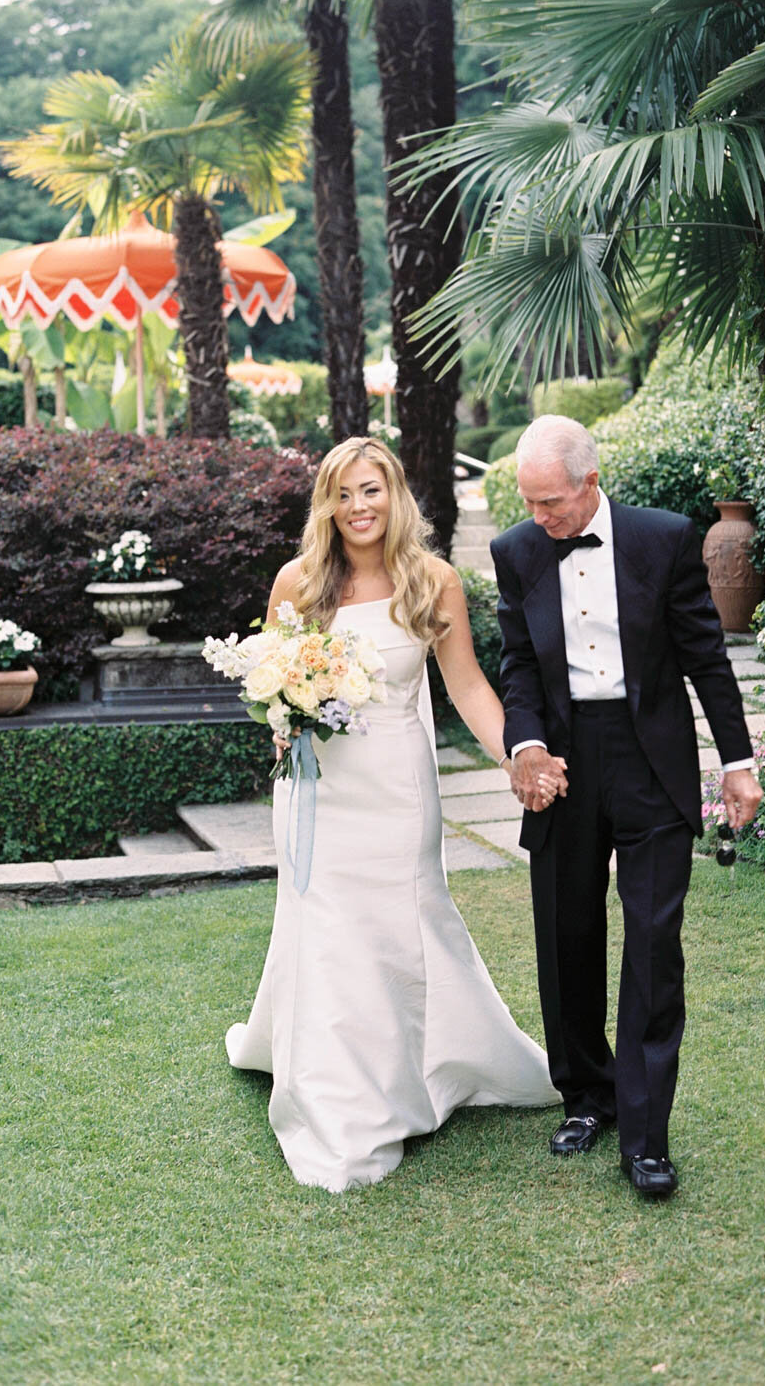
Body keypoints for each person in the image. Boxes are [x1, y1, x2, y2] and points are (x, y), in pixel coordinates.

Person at [225, 437, 561, 1192]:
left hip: (399, 793)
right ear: (326, 504)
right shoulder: (298, 582)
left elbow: (468, 686)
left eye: (369, 490)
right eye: (342, 494)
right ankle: (341, 1093)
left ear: (395, 493)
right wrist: (282, 717)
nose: (357, 507)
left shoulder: (431, 581)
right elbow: (271, 681)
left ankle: (433, 1061)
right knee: (328, 932)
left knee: (403, 925)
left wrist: (518, 752)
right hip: (318, 792)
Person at [490, 415, 762, 1198]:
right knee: (565, 935)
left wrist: (736, 763)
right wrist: (524, 745)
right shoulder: (514, 552)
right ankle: (585, 1095)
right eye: (530, 503)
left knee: (651, 945)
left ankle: (645, 1138)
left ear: (589, 482)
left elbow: (705, 655)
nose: (540, 519)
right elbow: (516, 665)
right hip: (564, 763)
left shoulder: (664, 538)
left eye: (551, 503)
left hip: (650, 761)